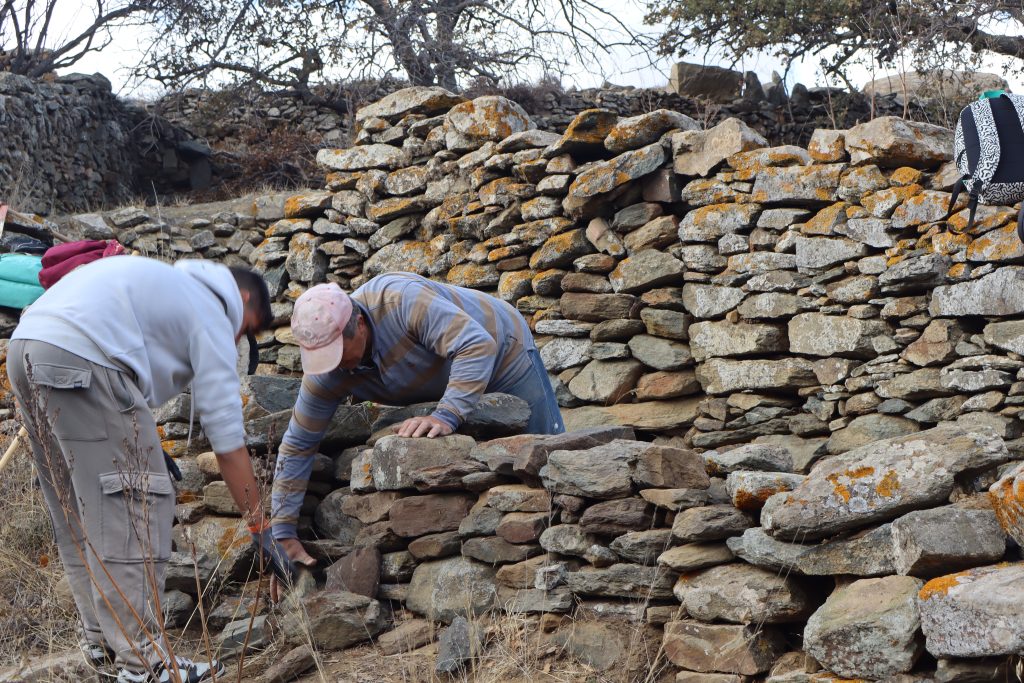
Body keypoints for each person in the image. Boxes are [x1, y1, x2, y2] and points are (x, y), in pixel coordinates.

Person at [6, 256, 293, 683]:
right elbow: (228, 441)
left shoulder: (166, 286)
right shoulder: (212, 309)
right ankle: (145, 664)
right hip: (82, 354)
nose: (239, 339)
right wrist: (260, 529)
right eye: (248, 329)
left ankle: (103, 645)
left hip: (27, 347)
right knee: (136, 502)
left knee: (78, 506)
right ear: (244, 297)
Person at [270, 272, 563, 568]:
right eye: (321, 357)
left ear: (359, 324)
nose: (332, 366)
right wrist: (282, 531)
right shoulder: (328, 371)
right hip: (442, 374)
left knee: (544, 460)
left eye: (336, 353)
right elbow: (298, 444)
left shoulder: (401, 301)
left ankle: (561, 549)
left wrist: (446, 414)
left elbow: (476, 345)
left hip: (503, 349)